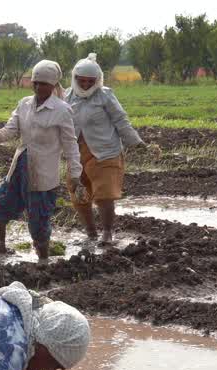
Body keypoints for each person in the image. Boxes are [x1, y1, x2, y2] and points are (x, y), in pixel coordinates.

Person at [0, 59, 84, 262]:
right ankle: (0, 248)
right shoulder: (24, 104)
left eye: (43, 84)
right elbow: (11, 129)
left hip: (43, 174)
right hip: (20, 168)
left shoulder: (62, 110)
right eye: (35, 83)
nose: (38, 87)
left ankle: (43, 260)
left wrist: (75, 174)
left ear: (53, 85)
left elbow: (71, 145)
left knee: (38, 222)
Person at [64, 53, 154, 244]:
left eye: (91, 81)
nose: (86, 85)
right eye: (82, 81)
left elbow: (120, 120)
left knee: (104, 194)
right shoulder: (66, 96)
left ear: (97, 80)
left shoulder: (105, 95)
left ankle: (107, 232)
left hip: (105, 152)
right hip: (76, 153)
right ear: (75, 79)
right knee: (79, 194)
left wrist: (136, 142)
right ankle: (90, 233)